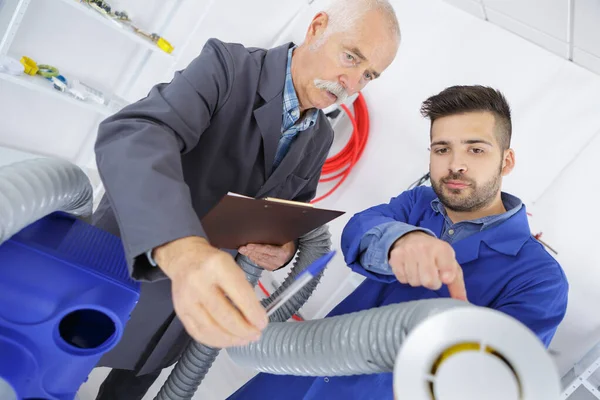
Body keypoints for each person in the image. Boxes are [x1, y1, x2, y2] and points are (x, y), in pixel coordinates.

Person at [91, 0, 401, 398]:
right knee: (62, 368)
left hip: (192, 306)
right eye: (350, 56)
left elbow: (289, 214)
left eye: (368, 74)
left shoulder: (318, 136)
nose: (352, 82)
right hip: (127, 262)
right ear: (317, 27)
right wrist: (182, 251)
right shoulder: (227, 68)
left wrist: (284, 249)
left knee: (131, 383)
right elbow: (136, 135)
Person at [228, 85, 569, 399]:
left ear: (506, 161)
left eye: (476, 149)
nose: (456, 165)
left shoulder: (540, 279)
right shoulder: (419, 204)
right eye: (442, 149)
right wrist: (400, 241)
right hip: (290, 380)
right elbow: (360, 229)